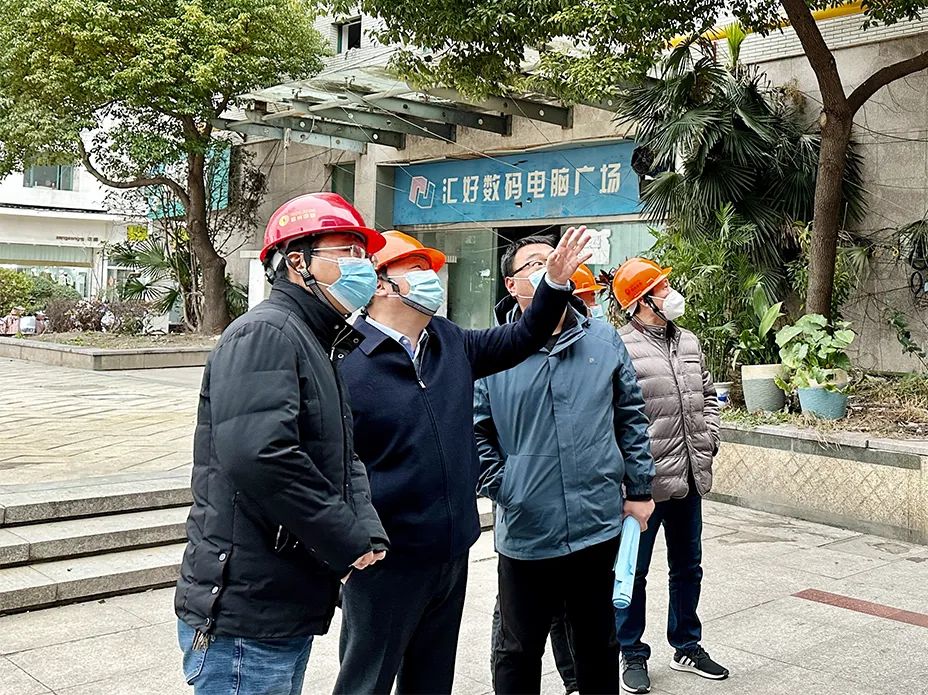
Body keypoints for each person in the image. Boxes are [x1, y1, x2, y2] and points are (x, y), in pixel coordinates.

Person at [334, 228, 591, 694]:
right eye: (416, 268)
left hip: (450, 550)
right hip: (385, 560)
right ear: (380, 283)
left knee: (432, 680)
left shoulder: (447, 341)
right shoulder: (345, 358)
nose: (430, 278)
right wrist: (347, 541)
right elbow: (330, 463)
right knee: (366, 681)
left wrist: (554, 282)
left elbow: (524, 335)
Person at [174, 193, 390, 695]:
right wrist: (344, 538)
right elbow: (262, 457)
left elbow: (343, 455)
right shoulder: (265, 334)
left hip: (283, 598)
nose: (362, 267)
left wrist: (365, 529)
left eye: (363, 254)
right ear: (298, 262)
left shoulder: (317, 341)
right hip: (246, 611)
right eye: (347, 252)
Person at [475, 235, 656, 695]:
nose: (549, 266)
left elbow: (630, 416)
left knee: (598, 642)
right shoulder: (491, 350)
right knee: (519, 649)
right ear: (511, 284)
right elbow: (474, 432)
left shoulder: (602, 339)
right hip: (527, 530)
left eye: (552, 259)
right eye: (534, 264)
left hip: (596, 524)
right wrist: (507, 486)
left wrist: (639, 490)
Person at [612, 258, 729, 694]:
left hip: (690, 477)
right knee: (633, 572)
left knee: (688, 567)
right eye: (661, 288)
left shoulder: (689, 342)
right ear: (642, 301)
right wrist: (629, 477)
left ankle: (686, 644)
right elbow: (613, 416)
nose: (670, 292)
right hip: (643, 487)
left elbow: (709, 395)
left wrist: (709, 437)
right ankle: (631, 651)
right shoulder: (619, 346)